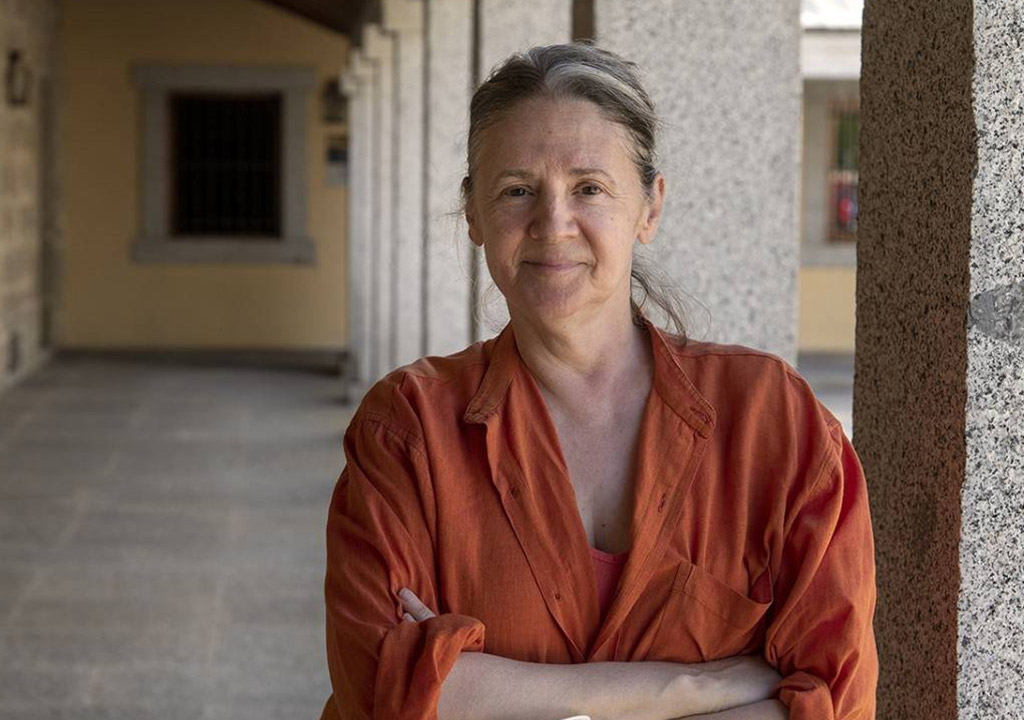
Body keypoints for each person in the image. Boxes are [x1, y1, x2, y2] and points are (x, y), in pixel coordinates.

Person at [323, 43, 876, 720]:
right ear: (473, 214)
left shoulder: (775, 423)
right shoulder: (408, 430)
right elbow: (380, 691)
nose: (553, 225)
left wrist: (473, 689)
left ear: (650, 208)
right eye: (517, 190)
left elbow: (834, 699)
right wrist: (694, 688)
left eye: (589, 188)